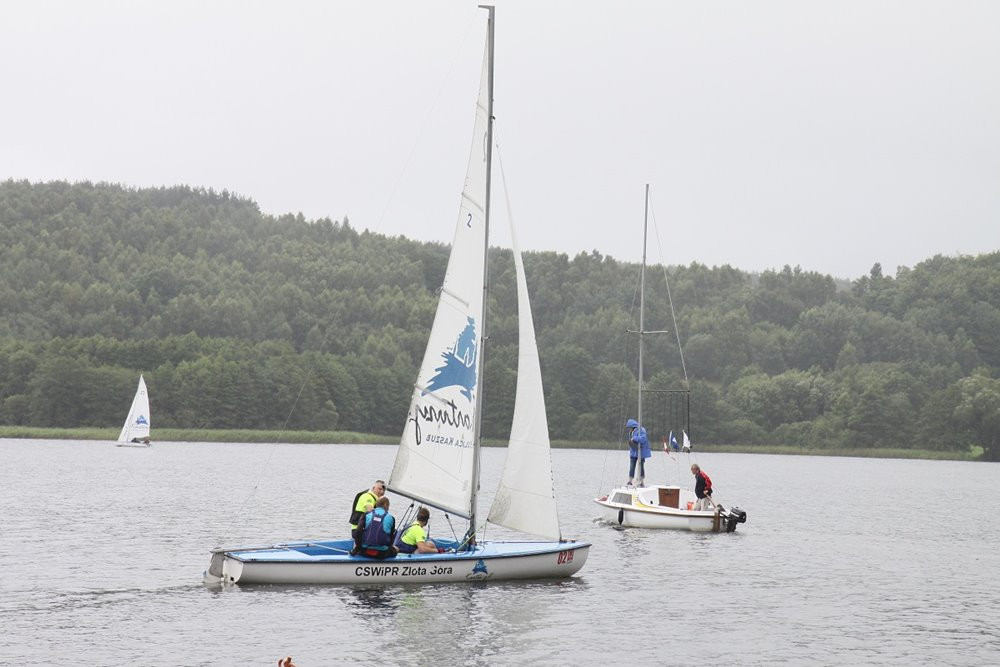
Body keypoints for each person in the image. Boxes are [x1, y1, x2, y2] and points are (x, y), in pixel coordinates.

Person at [625, 418, 651, 487]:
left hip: (640, 452)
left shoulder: (641, 430)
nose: (629, 429)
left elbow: (643, 439)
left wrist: (634, 438)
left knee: (641, 466)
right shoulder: (631, 432)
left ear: (633, 427)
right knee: (632, 466)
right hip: (633, 452)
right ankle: (630, 481)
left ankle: (641, 481)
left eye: (630, 427)